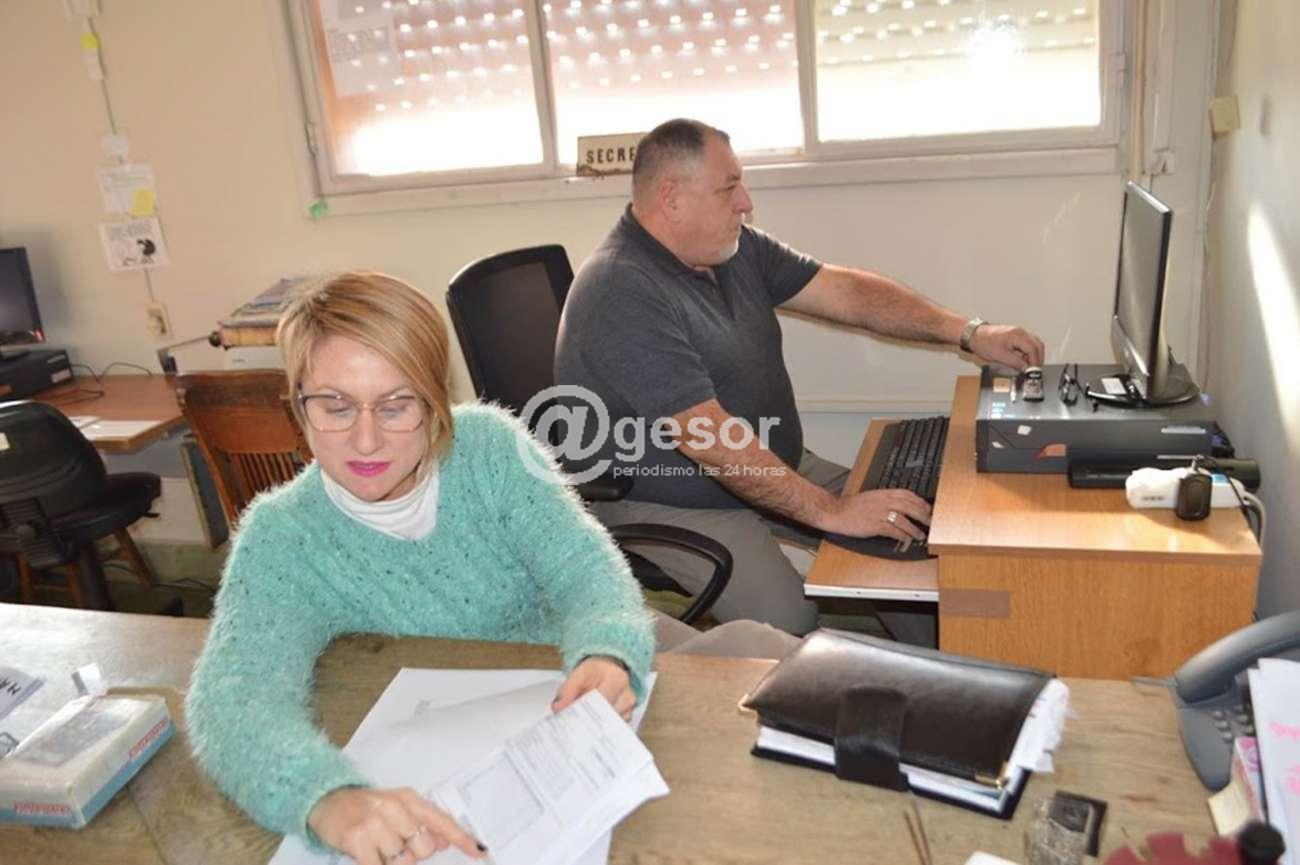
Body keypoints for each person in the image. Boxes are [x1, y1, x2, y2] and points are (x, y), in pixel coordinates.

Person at [186, 272, 793, 865]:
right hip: (460, 767)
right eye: (335, 406)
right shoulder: (283, 538)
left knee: (769, 668)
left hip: (574, 679)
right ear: (297, 406)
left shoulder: (490, 448)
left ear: (434, 401)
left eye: (396, 405)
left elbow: (585, 568)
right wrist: (323, 799)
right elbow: (234, 700)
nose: (365, 440)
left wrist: (607, 650)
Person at [554, 118, 1046, 643]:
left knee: (910, 534)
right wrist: (832, 511)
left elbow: (848, 294)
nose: (746, 203)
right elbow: (708, 437)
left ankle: (941, 663)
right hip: (671, 498)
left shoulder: (732, 249)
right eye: (728, 188)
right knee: (789, 622)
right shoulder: (620, 289)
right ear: (672, 199)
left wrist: (970, 333)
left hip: (766, 459)